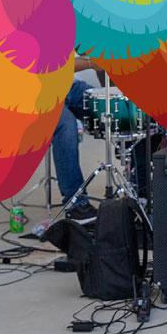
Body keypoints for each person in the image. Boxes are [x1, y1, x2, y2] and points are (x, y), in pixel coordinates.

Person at [50, 55, 103, 222]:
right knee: (66, 125)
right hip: (38, 92)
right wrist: (92, 63)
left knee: (120, 106)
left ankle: (140, 191)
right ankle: (75, 203)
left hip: (69, 88)